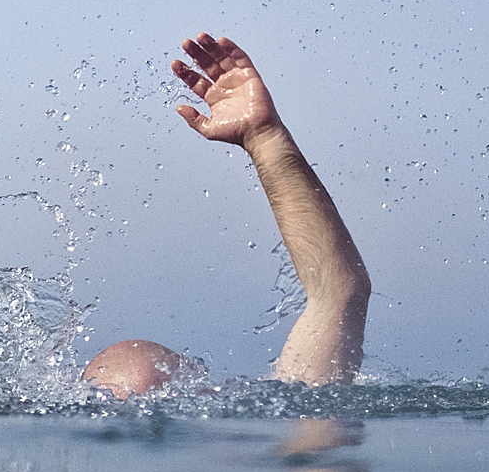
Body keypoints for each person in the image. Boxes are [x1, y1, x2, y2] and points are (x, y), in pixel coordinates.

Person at [82, 33, 370, 397]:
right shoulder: (282, 437)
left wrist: (265, 139)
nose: (145, 427)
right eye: (124, 404)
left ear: (208, 399)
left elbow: (337, 292)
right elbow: (339, 294)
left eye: (165, 402)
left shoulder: (278, 430)